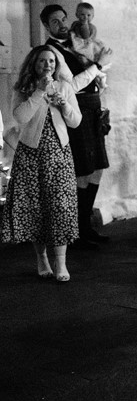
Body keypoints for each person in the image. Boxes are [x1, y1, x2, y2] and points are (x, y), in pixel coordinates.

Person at [1, 45, 81, 282]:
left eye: (52, 62)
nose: (48, 66)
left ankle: (62, 263)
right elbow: (20, 117)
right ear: (33, 65)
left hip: (59, 154)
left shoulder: (65, 87)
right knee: (36, 207)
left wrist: (63, 104)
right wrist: (39, 93)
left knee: (60, 206)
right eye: (43, 62)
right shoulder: (24, 88)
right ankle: (42, 258)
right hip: (31, 155)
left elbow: (76, 121)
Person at [41, 4, 112, 250]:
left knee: (98, 167)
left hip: (94, 107)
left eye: (63, 19)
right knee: (82, 170)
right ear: (46, 26)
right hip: (77, 109)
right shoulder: (51, 51)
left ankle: (86, 226)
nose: (61, 24)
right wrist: (99, 66)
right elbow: (72, 85)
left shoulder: (76, 41)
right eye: (54, 21)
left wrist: (101, 76)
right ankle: (79, 228)